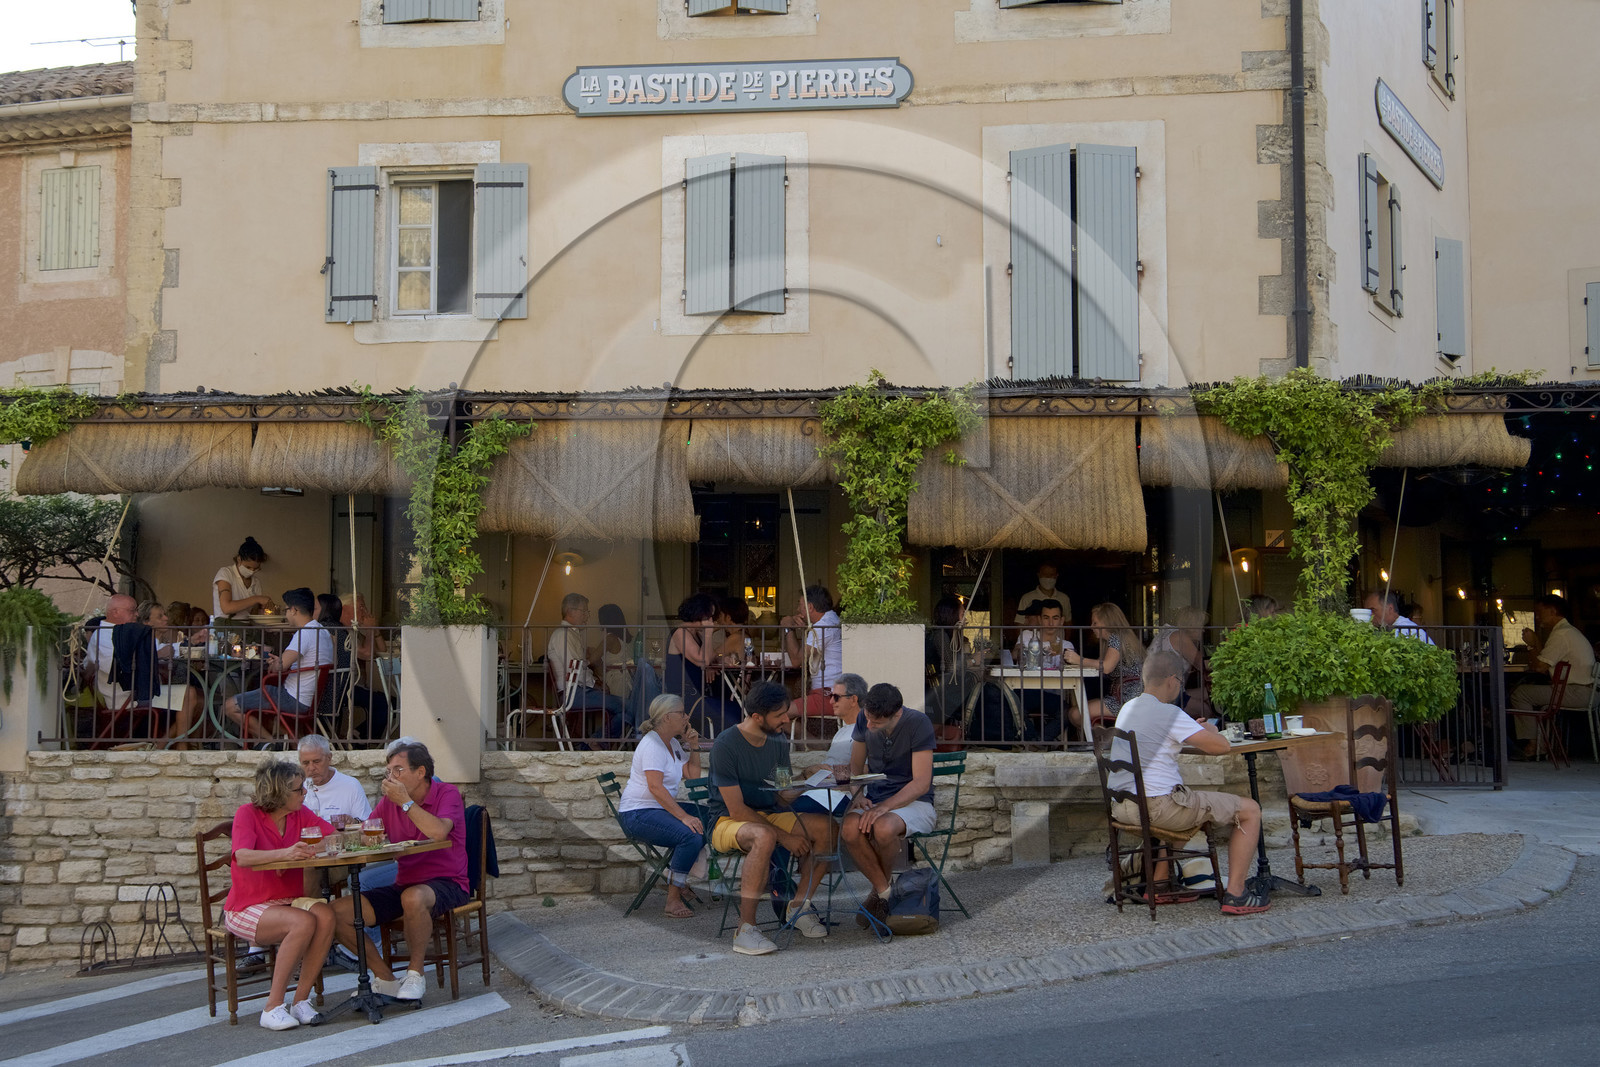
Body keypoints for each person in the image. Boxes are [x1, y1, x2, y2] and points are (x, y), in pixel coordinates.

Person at [1108, 650, 1268, 915]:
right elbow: (1220, 746)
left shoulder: (1129, 707)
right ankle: (1237, 894)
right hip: (1157, 808)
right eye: (1180, 682)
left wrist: (1192, 728)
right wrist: (1210, 730)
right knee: (1250, 810)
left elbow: (1161, 733)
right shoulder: (1170, 712)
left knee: (1187, 803)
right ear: (1172, 680)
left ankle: (1158, 884)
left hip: (1123, 806)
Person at [329, 741, 467, 1003]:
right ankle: (386, 978)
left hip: (448, 882)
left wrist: (405, 803)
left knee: (412, 898)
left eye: (398, 770)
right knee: (335, 913)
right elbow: (371, 836)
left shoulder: (446, 793)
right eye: (389, 771)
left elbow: (438, 832)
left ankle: (415, 974)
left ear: (420, 772)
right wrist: (351, 833)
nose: (391, 777)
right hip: (405, 882)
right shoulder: (388, 802)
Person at [705, 680, 835, 954]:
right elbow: (738, 810)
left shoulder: (777, 740)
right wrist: (785, 837)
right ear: (756, 717)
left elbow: (781, 793)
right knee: (763, 836)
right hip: (726, 820)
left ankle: (798, 908)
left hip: (768, 814)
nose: (787, 720)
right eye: (780, 716)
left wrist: (807, 778)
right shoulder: (725, 744)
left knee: (828, 828)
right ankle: (746, 929)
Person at [223, 758, 338, 1030]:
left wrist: (316, 846)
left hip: (287, 900)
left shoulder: (300, 815)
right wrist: (284, 854)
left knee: (326, 914)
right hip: (246, 906)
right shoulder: (247, 814)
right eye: (298, 790)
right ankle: (272, 1007)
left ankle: (300, 1001)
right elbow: (242, 856)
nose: (305, 793)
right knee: (303, 921)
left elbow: (332, 836)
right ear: (279, 792)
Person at [840, 683, 936, 928]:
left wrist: (884, 807)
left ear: (897, 714)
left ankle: (875, 894)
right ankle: (885, 892)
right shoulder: (865, 717)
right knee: (849, 829)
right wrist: (857, 793)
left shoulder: (918, 723)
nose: (869, 726)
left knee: (882, 828)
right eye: (868, 720)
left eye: (877, 723)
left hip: (915, 802)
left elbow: (921, 784)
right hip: (875, 798)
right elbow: (855, 768)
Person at [617, 695, 704, 918]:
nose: (687, 717)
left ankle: (677, 876)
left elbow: (692, 775)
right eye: (682, 713)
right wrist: (683, 817)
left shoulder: (673, 743)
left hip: (657, 810)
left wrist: (693, 746)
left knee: (711, 816)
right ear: (667, 717)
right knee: (690, 835)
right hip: (638, 814)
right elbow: (655, 788)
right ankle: (673, 900)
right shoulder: (653, 745)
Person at [82, 594, 200, 745]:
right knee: (188, 694)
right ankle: (175, 746)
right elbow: (117, 666)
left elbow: (152, 650)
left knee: (190, 694)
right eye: (132, 610)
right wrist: (156, 656)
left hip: (135, 692)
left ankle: (165, 743)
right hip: (125, 697)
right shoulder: (104, 636)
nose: (136, 614)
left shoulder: (121, 632)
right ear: (115, 612)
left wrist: (188, 643)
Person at [223, 587, 334, 741]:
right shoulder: (323, 632)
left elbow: (278, 668)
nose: (286, 614)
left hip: (293, 698)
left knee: (229, 706)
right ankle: (280, 742)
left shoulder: (305, 634)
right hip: (310, 700)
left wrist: (274, 663)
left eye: (286, 610)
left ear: (294, 610)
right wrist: (280, 662)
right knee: (264, 694)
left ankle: (270, 743)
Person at [1510, 594, 1596, 758]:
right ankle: (1539, 744)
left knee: (1519, 693)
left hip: (1576, 692)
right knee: (1526, 692)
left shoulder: (1561, 634)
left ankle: (1535, 746)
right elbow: (1545, 659)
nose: (1537, 616)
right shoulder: (1567, 631)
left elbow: (1540, 667)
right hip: (1585, 691)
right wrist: (1535, 644)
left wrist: (1531, 646)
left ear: (1552, 611)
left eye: (1540, 611)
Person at [546, 592, 627, 739]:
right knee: (626, 707)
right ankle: (595, 742)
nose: (587, 616)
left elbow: (580, 667)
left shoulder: (570, 634)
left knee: (625, 706)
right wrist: (596, 684)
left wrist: (596, 682)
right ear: (571, 611)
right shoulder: (564, 635)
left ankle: (594, 742)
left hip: (578, 690)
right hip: (573, 693)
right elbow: (575, 668)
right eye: (584, 611)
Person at [1064, 602, 1145, 727]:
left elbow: (1106, 667)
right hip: (1129, 697)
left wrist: (1078, 660)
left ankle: (1097, 742)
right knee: (1079, 711)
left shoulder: (1116, 638)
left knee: (1075, 713)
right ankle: (1100, 740)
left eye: (1095, 623)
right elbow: (1099, 665)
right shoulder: (1119, 638)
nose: (1091, 627)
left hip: (1128, 699)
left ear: (1107, 622)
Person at [665, 593, 735, 734]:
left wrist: (719, 659)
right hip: (685, 696)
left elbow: (708, 656)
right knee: (729, 712)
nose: (711, 620)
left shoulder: (696, 633)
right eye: (708, 616)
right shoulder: (680, 633)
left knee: (733, 706)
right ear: (699, 614)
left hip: (700, 693)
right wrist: (708, 634)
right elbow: (702, 660)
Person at [781, 585, 843, 733]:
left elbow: (797, 660)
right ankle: (813, 745)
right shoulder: (830, 620)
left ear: (809, 607)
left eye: (800, 605)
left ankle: (815, 745)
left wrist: (787, 629)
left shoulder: (823, 626)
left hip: (828, 695)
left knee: (776, 714)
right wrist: (803, 630)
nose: (797, 610)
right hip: (830, 692)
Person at [339, 594, 393, 741]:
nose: (365, 611)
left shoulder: (353, 631)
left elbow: (381, 653)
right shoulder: (341, 632)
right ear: (344, 609)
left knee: (391, 701)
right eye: (360, 607)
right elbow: (367, 654)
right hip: (343, 687)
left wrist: (374, 631)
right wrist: (369, 629)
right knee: (383, 703)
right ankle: (361, 740)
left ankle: (358, 736)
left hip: (356, 686)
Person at [925, 595, 977, 726]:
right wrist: (974, 661)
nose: (966, 619)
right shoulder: (939, 635)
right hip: (940, 691)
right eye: (962, 613)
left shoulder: (950, 635)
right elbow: (950, 666)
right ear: (952, 615)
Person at [1151, 606, 1210, 719]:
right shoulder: (1180, 638)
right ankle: (1207, 735)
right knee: (1205, 709)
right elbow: (1202, 664)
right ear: (1191, 626)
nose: (1203, 630)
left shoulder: (1170, 633)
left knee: (1207, 694)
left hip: (1162, 687)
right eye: (1201, 626)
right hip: (1166, 692)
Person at [214, 536, 273, 620]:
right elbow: (226, 608)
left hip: (247, 627)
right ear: (239, 559)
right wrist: (257, 599)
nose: (252, 571)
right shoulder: (225, 573)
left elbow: (254, 613)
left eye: (256, 569)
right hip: (227, 627)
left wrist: (264, 608)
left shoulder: (256, 582)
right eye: (248, 567)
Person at [825, 673, 869, 765]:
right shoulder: (841, 732)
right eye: (831, 696)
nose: (831, 701)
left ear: (853, 700)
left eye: (836, 697)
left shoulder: (866, 730)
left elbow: (867, 770)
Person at [1364, 592, 1435, 645]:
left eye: (1373, 610)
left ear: (1390, 609)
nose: (1369, 615)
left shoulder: (1405, 630)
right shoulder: (1391, 628)